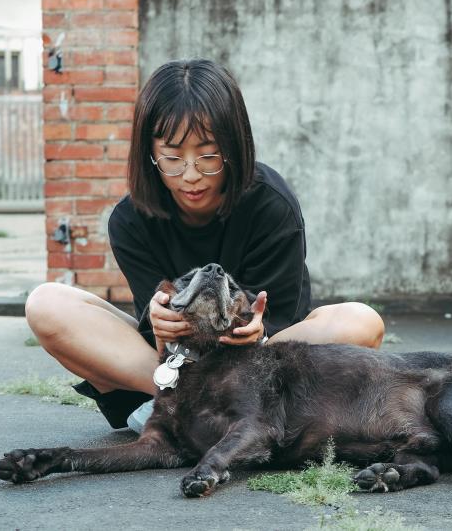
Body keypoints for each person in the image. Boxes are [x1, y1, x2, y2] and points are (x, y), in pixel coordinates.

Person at [25, 59, 384, 432]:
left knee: (361, 321)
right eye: (173, 158)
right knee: (47, 304)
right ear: (150, 153)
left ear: (234, 146)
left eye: (209, 155)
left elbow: (282, 325)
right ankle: (195, 406)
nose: (192, 175)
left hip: (260, 366)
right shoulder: (130, 220)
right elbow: (156, 335)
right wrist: (161, 321)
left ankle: (194, 414)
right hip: (174, 369)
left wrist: (257, 330)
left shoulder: (272, 206)